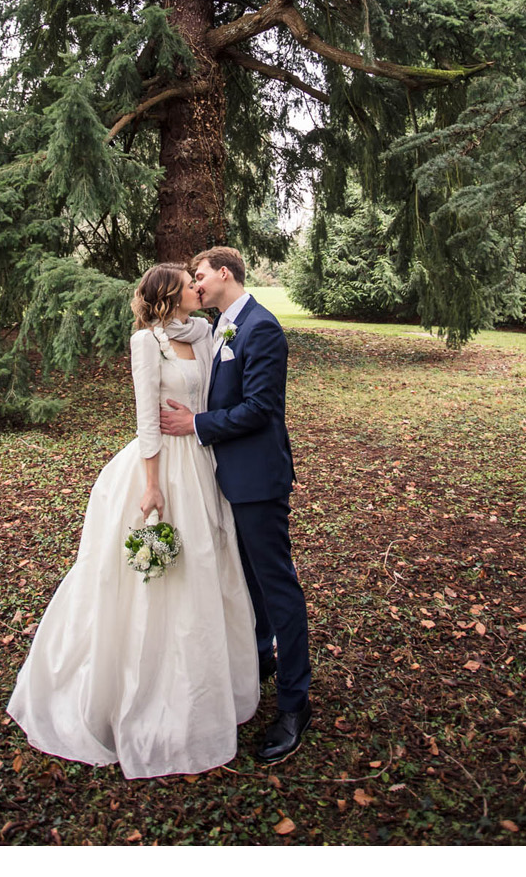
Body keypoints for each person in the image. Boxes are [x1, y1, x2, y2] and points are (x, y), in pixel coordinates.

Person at [5, 264, 259, 778]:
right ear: (169, 296)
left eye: (199, 279)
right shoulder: (147, 343)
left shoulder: (207, 332)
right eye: (189, 283)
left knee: (208, 569)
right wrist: (151, 483)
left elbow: (212, 398)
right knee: (158, 581)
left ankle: (207, 690)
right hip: (162, 465)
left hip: (204, 462)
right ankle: (143, 693)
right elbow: (147, 415)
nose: (198, 286)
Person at [158, 246, 313, 763]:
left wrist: (196, 426)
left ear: (225, 273)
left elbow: (261, 407)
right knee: (246, 579)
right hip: (223, 477)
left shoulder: (261, 327)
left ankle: (295, 702)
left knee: (276, 584)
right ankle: (262, 659)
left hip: (257, 479)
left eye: (200, 276)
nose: (196, 285)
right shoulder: (222, 325)